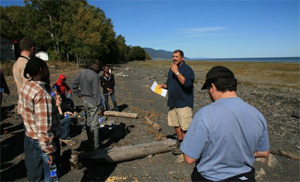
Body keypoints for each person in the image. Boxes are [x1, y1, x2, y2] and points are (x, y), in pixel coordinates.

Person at [181, 66, 270, 182]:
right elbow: (264, 152)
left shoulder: (205, 114)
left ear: (212, 87)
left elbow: (189, 158)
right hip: (246, 177)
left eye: (208, 88)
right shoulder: (257, 114)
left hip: (211, 177)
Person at [19, 57, 61, 182]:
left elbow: (21, 110)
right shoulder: (41, 94)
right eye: (47, 69)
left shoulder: (26, 86)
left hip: (30, 136)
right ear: (41, 70)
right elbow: (44, 127)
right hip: (43, 142)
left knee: (35, 175)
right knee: (51, 175)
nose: (48, 72)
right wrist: (49, 151)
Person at [158, 49, 195, 155]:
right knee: (176, 124)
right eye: (173, 56)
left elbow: (187, 84)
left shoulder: (187, 70)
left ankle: (187, 147)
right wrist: (162, 86)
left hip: (184, 102)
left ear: (182, 58)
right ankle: (180, 142)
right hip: (173, 101)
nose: (174, 58)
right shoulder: (172, 69)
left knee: (185, 127)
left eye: (177, 57)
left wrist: (177, 72)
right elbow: (169, 83)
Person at [71, 60, 103, 151]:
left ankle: (90, 141)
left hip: (85, 100)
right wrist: (99, 106)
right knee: (95, 125)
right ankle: (96, 147)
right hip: (93, 101)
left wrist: (80, 94)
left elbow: (73, 84)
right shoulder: (95, 76)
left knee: (88, 122)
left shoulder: (82, 72)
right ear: (97, 68)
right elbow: (96, 93)